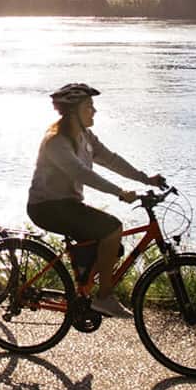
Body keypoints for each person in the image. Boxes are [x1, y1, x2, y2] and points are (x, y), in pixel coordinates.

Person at [27, 83, 165, 318]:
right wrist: (119, 191)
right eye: (89, 106)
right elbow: (81, 173)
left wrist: (146, 179)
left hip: (68, 205)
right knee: (112, 228)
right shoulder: (55, 141)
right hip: (46, 207)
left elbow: (111, 160)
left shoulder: (85, 136)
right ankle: (104, 297)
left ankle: (84, 289)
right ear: (74, 112)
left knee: (112, 247)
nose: (94, 111)